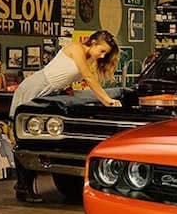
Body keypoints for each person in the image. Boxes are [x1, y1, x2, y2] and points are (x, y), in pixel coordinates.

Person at [11, 30, 120, 202]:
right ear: (92, 42)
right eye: (102, 50)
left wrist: (65, 87)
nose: (103, 55)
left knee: (35, 139)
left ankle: (23, 187)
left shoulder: (89, 57)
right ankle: (24, 187)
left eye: (105, 53)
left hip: (50, 91)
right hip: (37, 87)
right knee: (25, 138)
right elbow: (88, 78)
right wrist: (107, 100)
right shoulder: (76, 48)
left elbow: (65, 73)